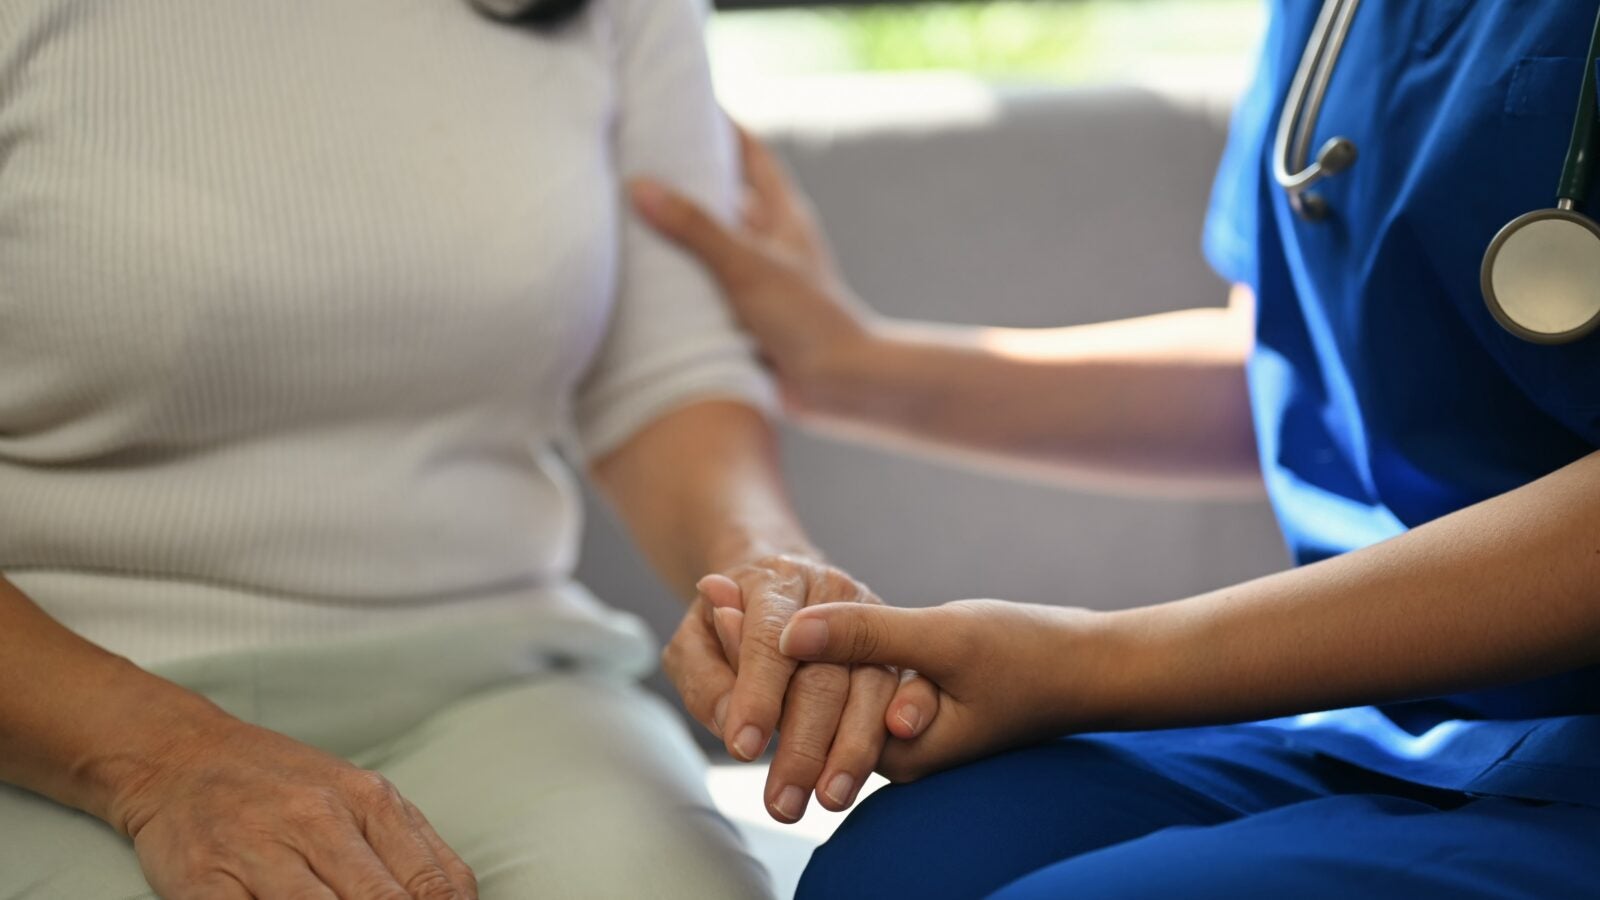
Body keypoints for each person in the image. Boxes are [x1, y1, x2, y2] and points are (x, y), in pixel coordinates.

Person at [630, 1, 1600, 896]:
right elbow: (1309, 366)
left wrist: (1090, 665)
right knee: (898, 874)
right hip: (1369, 713)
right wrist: (853, 366)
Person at [0, 0, 931, 897]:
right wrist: (163, 759)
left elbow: (663, 377)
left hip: (498, 681)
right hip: (46, 708)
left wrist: (769, 573)